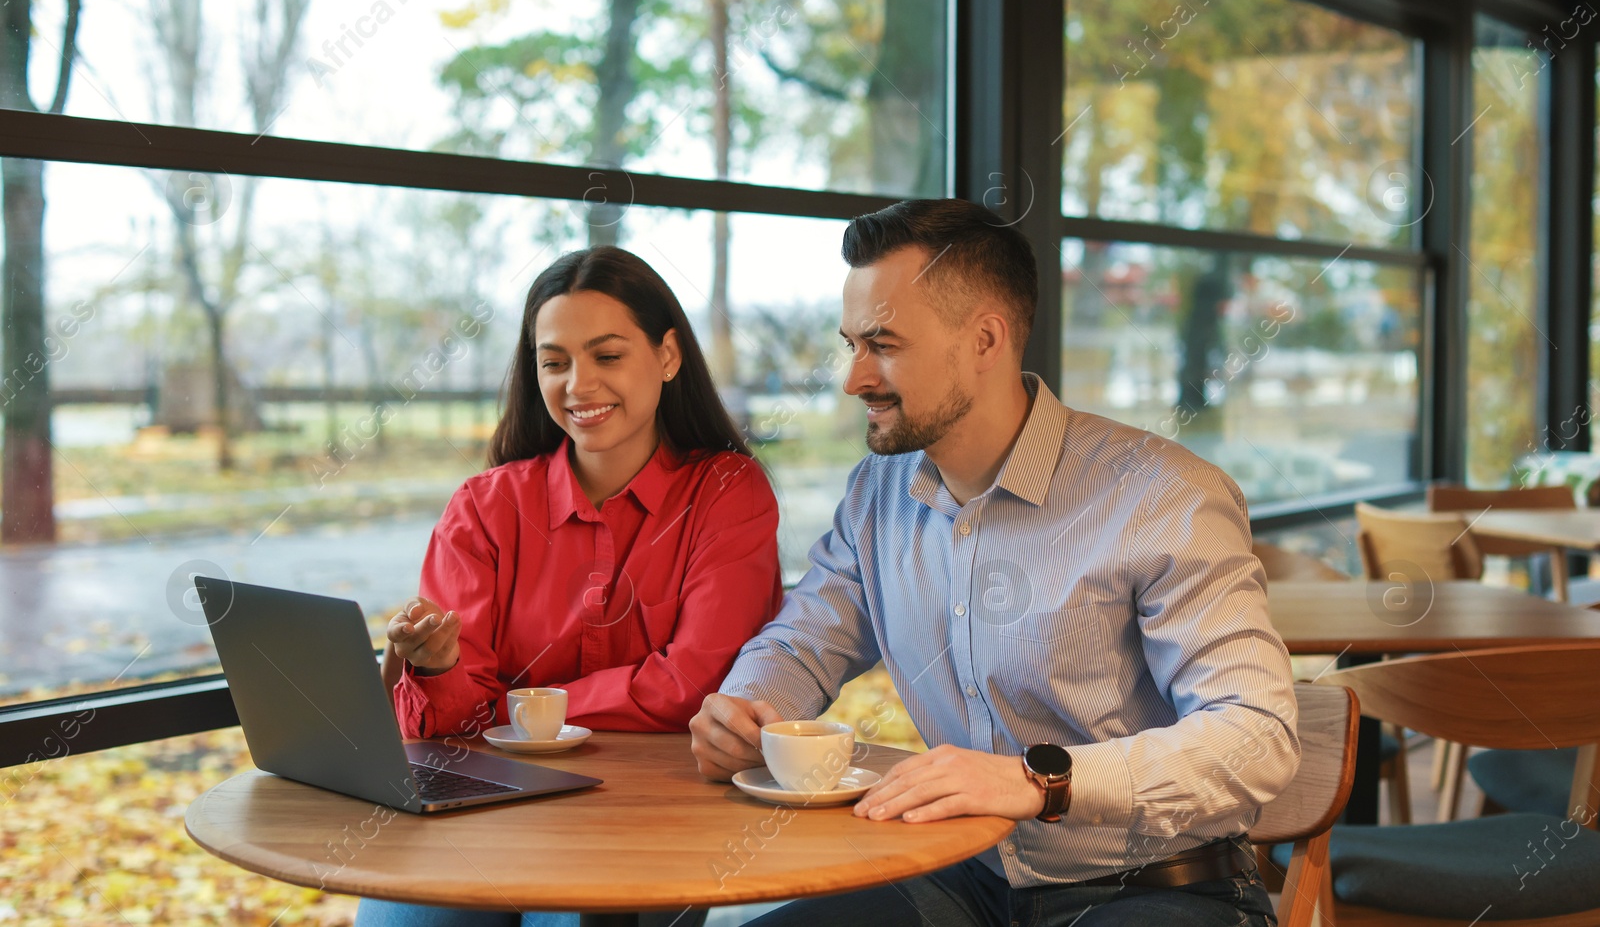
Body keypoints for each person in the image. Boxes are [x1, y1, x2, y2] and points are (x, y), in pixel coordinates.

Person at [689, 199, 1300, 927]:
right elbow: (803, 640)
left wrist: (1037, 781)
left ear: (984, 339)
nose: (853, 378)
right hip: (961, 879)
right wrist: (747, 707)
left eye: (881, 343)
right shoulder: (878, 493)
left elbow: (1256, 734)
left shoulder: (1165, 496)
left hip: (1159, 886)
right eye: (850, 342)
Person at [357, 246, 781, 927]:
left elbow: (696, 682)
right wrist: (437, 669)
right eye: (554, 361)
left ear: (668, 355)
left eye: (607, 355)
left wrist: (520, 709)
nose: (578, 384)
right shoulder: (484, 507)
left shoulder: (729, 492)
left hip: (655, 811)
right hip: (487, 807)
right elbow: (444, 727)